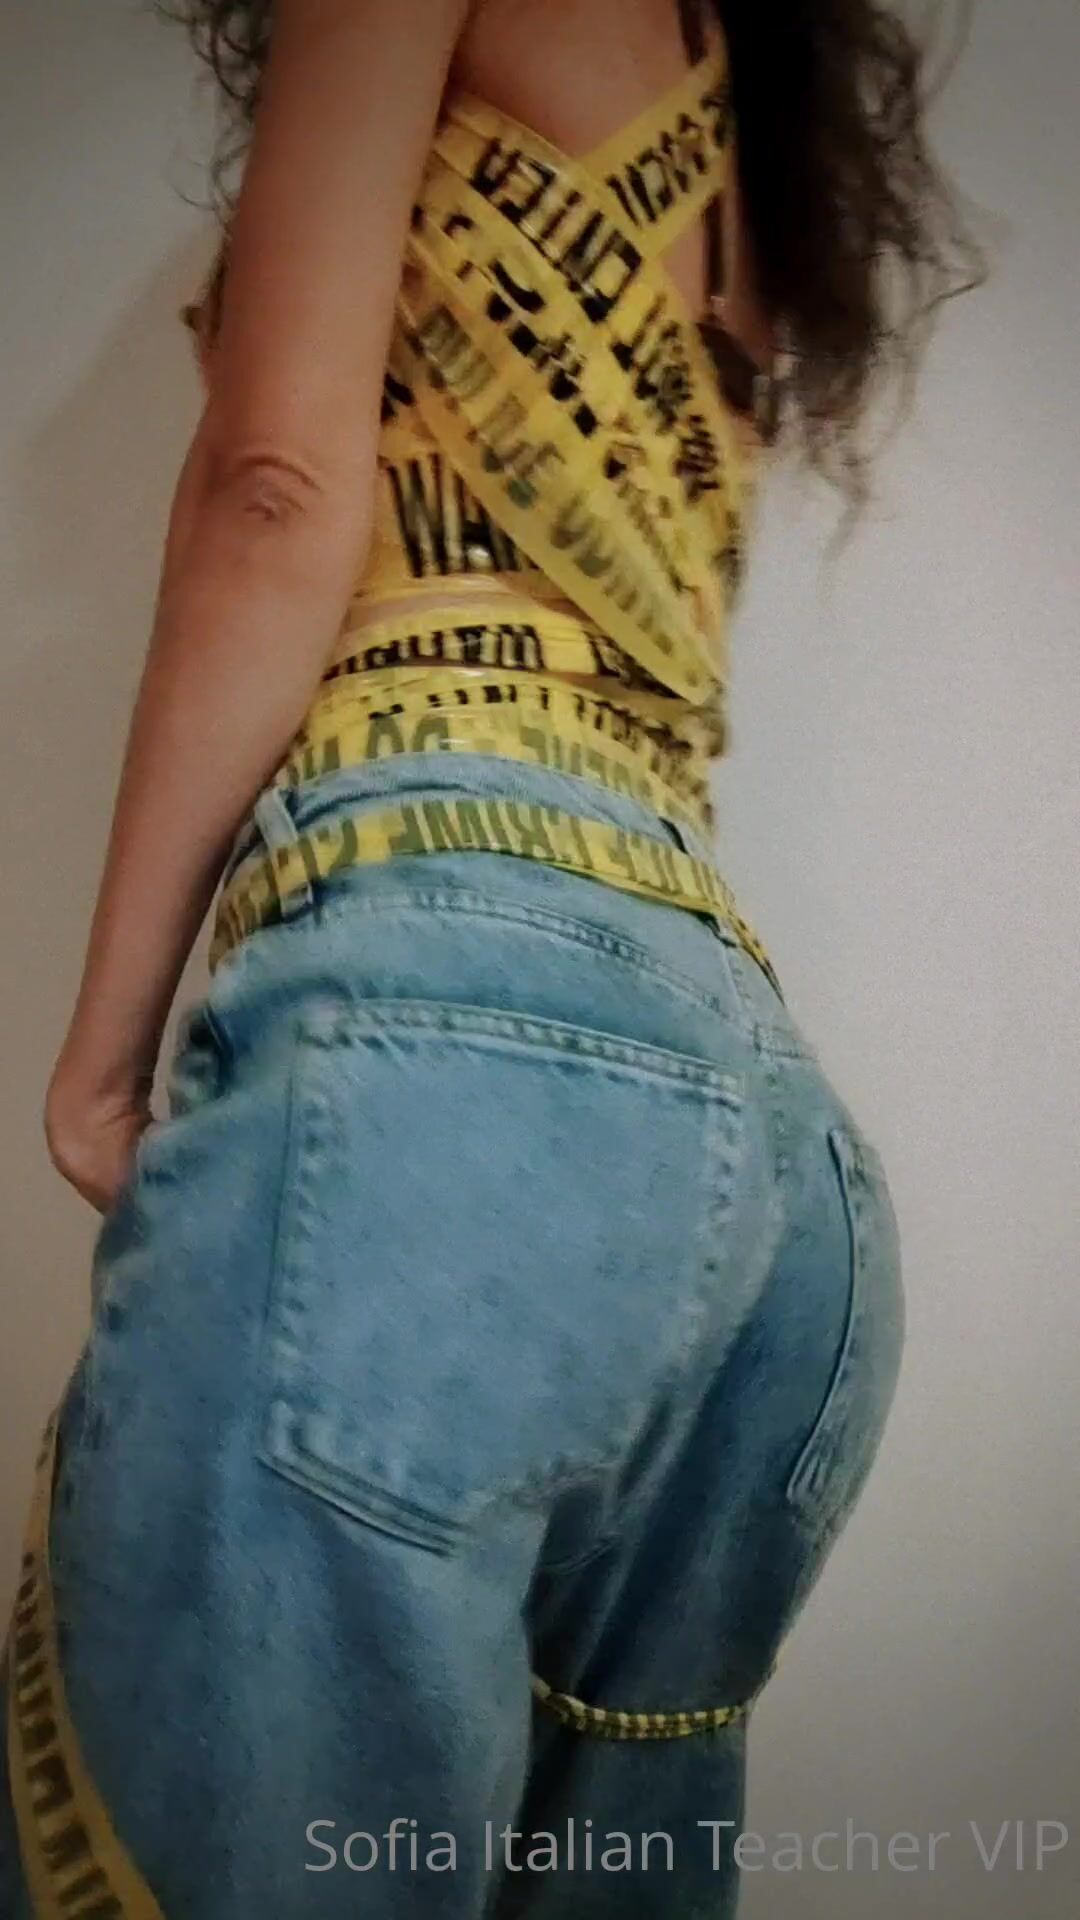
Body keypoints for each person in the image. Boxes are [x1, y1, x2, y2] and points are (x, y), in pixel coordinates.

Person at [1, 2, 982, 1914]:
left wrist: (101, 1059)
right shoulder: (748, 122)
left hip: (454, 1082)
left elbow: (276, 482)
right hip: (780, 1188)